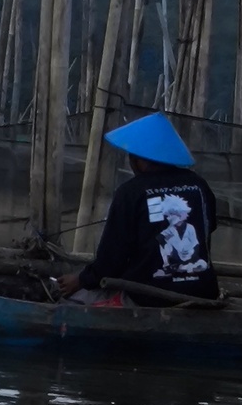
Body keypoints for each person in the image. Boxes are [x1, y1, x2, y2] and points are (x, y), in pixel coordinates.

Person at [55, 112, 220, 304]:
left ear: (139, 160)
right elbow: (209, 227)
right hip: (203, 293)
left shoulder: (131, 192)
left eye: (132, 157)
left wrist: (81, 280)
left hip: (147, 297)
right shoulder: (199, 185)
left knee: (71, 301)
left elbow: (112, 258)